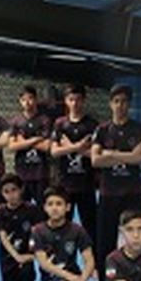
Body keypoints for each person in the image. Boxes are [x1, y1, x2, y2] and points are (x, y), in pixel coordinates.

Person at [91, 85, 141, 281]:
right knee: (105, 241)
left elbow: (140, 157)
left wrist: (112, 154)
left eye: (124, 101)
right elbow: (96, 160)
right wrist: (126, 156)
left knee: (138, 238)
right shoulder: (102, 130)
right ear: (110, 104)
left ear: (129, 105)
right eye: (116, 101)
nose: (120, 106)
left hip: (133, 192)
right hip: (109, 193)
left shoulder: (139, 129)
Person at [50, 84, 98, 246]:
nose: (75, 103)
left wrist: (70, 147)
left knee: (91, 227)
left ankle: (93, 259)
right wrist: (78, 147)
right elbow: (54, 152)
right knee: (62, 226)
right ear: (66, 101)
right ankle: (63, 258)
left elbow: (96, 155)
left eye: (78, 100)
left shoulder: (92, 125)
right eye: (71, 99)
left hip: (86, 184)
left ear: (83, 101)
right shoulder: (60, 124)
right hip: (65, 184)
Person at [0, 173, 43, 281]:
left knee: (28, 274)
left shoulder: (31, 209)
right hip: (8, 254)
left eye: (14, 190)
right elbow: (3, 237)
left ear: (21, 190)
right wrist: (16, 256)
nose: (11, 195)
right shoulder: (0, 211)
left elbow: (37, 233)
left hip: (26, 254)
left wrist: (33, 254)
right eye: (6, 192)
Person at [8, 85, 52, 205]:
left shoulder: (44, 120)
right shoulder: (15, 121)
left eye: (30, 98)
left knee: (42, 208)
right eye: (24, 99)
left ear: (36, 99)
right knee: (21, 208)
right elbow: (12, 146)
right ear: (20, 101)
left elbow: (46, 147)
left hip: (40, 174)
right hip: (22, 174)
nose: (27, 102)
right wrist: (36, 139)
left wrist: (23, 141)